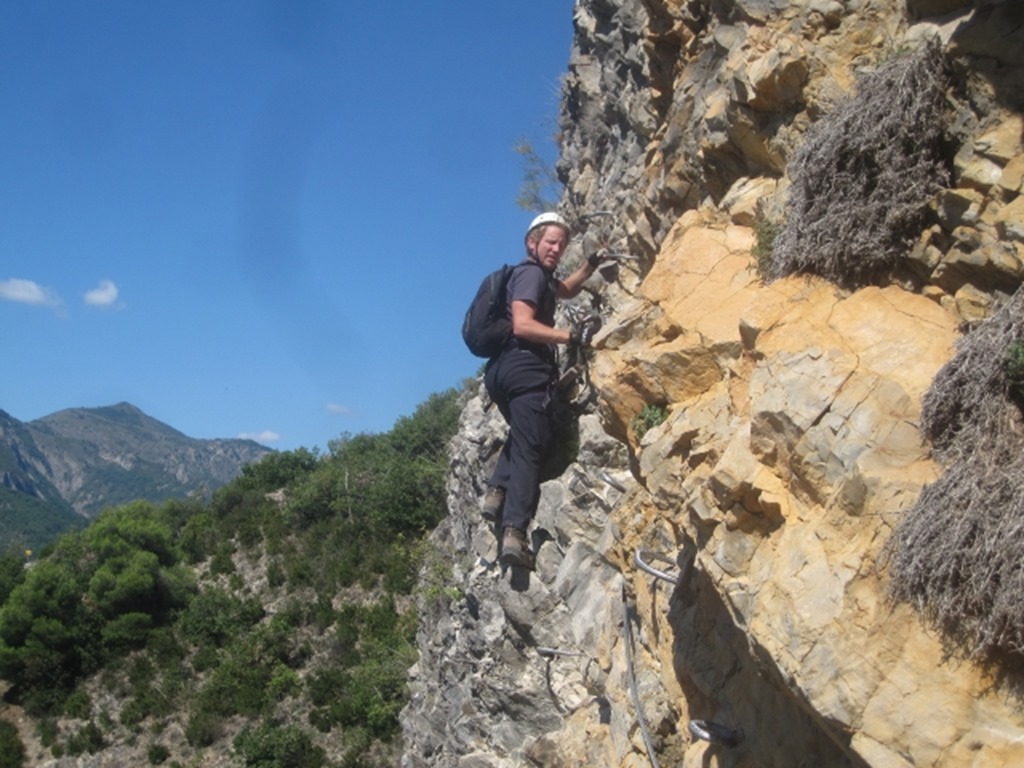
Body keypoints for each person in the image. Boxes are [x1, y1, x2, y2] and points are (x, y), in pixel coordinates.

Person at [482, 212, 605, 569]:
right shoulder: (531, 274)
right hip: (524, 368)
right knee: (531, 449)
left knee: (527, 433)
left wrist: (591, 263)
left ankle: (496, 492)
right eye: (550, 242)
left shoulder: (541, 278)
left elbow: (566, 288)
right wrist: (569, 336)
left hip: (503, 371)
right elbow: (522, 325)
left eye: (561, 245)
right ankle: (514, 534)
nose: (556, 249)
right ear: (531, 243)